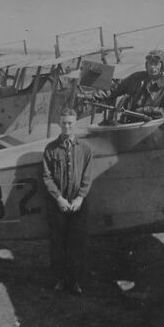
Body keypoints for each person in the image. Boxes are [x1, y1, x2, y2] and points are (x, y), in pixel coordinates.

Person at [42, 108, 93, 295]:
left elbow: (87, 176)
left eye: (70, 123)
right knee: (58, 243)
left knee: (77, 243)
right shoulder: (51, 149)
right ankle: (60, 280)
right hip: (59, 204)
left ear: (75, 124)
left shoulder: (85, 148)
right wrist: (59, 198)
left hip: (78, 204)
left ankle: (75, 281)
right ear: (59, 124)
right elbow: (47, 177)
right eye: (64, 123)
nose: (67, 126)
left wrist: (80, 197)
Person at [98, 49, 164, 123]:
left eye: (156, 64)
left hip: (152, 125)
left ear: (162, 66)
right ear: (146, 65)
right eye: (150, 63)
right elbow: (114, 89)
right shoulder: (136, 78)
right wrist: (93, 96)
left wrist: (144, 110)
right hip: (129, 122)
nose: (152, 67)